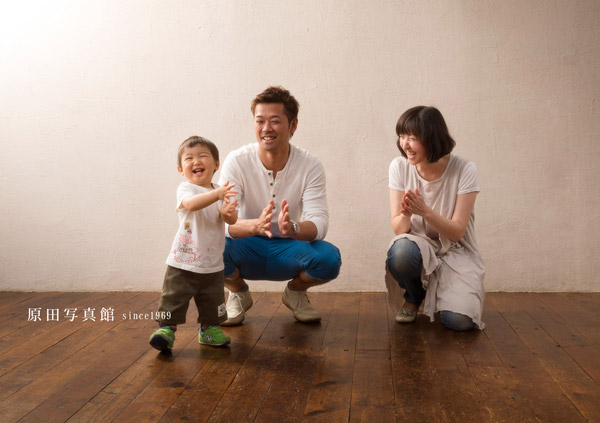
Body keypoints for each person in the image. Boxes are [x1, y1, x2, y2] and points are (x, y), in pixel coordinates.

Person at [218, 86, 341, 325]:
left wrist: (293, 228)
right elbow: (222, 220)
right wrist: (254, 226)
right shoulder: (237, 160)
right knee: (205, 246)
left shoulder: (310, 165)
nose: (266, 128)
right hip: (246, 244)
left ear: (293, 125)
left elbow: (320, 222)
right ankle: (238, 292)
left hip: (289, 246)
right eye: (260, 121)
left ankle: (295, 292)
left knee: (329, 258)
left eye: (275, 121)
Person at [385, 106, 485, 331]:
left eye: (413, 138)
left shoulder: (464, 169)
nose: (405, 144)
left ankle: (446, 294)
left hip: (456, 249)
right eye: (402, 136)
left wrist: (425, 211)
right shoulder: (399, 167)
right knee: (401, 252)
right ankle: (414, 296)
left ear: (432, 138)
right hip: (418, 246)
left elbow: (457, 232)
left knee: (460, 323)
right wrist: (406, 213)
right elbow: (399, 229)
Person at [149, 136, 239, 352]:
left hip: (212, 262)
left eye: (203, 156)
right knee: (173, 296)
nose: (196, 161)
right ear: (181, 169)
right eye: (189, 158)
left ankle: (209, 330)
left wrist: (228, 212)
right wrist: (216, 195)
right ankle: (166, 329)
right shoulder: (186, 189)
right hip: (183, 260)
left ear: (216, 164)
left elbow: (231, 220)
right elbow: (191, 204)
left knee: (212, 300)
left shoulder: (220, 191)